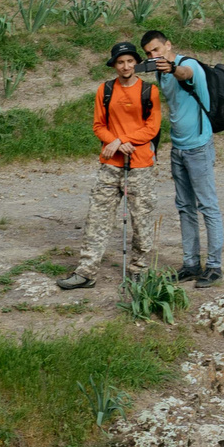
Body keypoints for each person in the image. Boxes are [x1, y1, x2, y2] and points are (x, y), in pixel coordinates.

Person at [64, 41, 164, 293]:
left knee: (142, 220)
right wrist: (116, 143)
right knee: (97, 218)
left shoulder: (149, 91)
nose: (126, 66)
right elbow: (98, 125)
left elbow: (152, 128)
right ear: (114, 65)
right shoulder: (105, 90)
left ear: (136, 63)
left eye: (130, 61)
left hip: (140, 165)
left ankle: (139, 270)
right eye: (121, 62)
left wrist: (124, 140)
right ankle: (86, 272)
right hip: (111, 164)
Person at [139, 28, 224, 289]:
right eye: (149, 53)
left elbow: (185, 75)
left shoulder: (188, 65)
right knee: (185, 207)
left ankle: (214, 266)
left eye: (156, 49)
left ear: (168, 45)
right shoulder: (159, 72)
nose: (154, 55)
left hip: (198, 146)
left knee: (207, 205)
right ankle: (190, 263)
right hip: (178, 147)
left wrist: (173, 67)